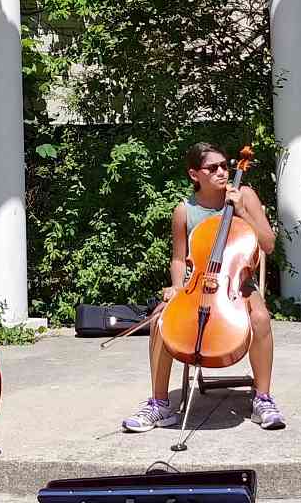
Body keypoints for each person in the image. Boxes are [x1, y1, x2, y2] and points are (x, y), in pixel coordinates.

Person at [121, 142, 285, 433]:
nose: (222, 172)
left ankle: (263, 399)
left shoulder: (244, 195)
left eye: (224, 166)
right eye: (213, 168)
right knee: (161, 319)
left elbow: (268, 245)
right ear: (195, 174)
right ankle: (159, 404)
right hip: (197, 283)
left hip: (238, 284)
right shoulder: (185, 211)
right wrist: (175, 287)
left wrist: (241, 212)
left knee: (260, 318)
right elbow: (177, 258)